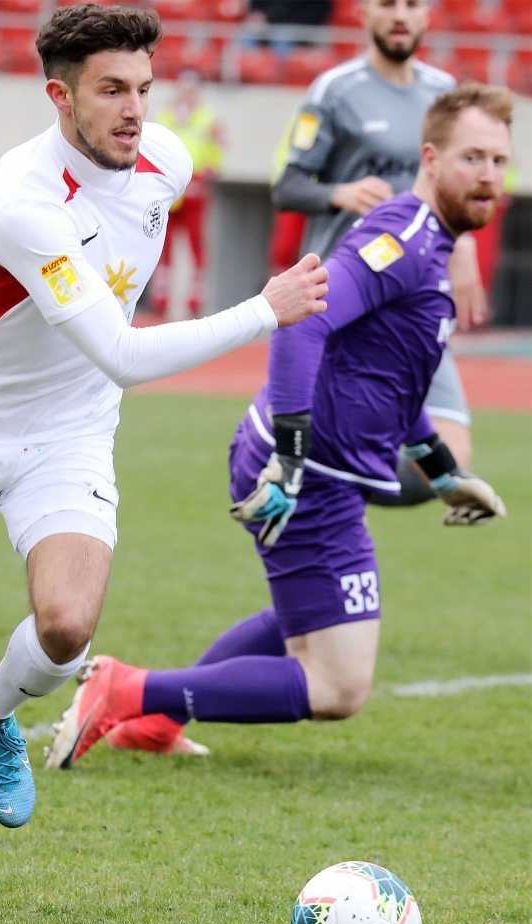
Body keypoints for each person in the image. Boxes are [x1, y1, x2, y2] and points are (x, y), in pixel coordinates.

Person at [0, 3, 329, 897]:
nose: (135, 111)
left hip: (70, 432)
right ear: (60, 96)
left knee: (66, 630)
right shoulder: (23, 203)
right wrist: (262, 311)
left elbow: (108, 354)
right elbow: (121, 354)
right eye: (112, 91)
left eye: (144, 88)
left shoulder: (166, 160)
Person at [44, 84, 510, 769]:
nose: (489, 175)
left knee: (309, 616)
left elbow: (392, 377)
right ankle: (126, 690)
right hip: (308, 472)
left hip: (321, 469)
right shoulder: (404, 239)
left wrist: (442, 472)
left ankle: (152, 724)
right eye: (473, 157)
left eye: (500, 161)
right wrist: (289, 458)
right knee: (339, 686)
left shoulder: (433, 245)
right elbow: (302, 319)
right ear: (431, 159)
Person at [271, 0, 483, 504]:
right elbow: (287, 187)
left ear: (428, 13)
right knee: (340, 441)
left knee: (450, 457)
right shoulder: (334, 90)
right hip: (348, 296)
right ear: (364, 13)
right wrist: (339, 193)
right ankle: (321, 498)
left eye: (411, 4)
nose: (400, 15)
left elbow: (455, 188)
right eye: (387, 4)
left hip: (415, 299)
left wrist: (465, 240)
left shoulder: (444, 94)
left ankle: (331, 491)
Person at [149, 71, 224, 317]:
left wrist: (208, 173)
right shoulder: (165, 115)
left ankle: (196, 298)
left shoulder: (208, 117)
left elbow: (217, 148)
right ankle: (160, 298)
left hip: (196, 188)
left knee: (196, 244)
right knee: (162, 242)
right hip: (169, 189)